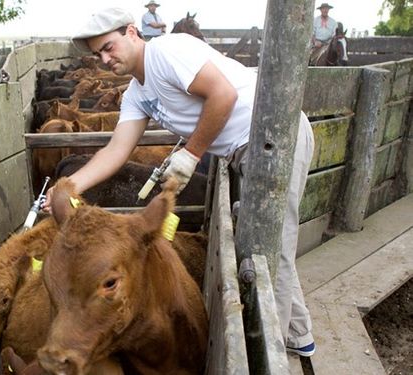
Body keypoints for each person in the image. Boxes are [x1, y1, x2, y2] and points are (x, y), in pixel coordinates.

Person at [43, 7, 316, 357]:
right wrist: (70, 185)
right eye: (98, 54)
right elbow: (117, 149)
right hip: (243, 149)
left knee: (270, 249)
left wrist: (191, 154)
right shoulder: (136, 94)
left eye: (109, 47)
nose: (105, 59)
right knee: (269, 244)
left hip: (273, 136)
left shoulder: (168, 51)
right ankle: (300, 336)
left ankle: (268, 355)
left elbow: (224, 95)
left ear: (131, 32)